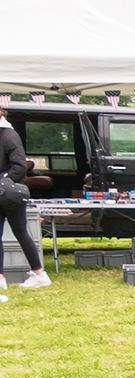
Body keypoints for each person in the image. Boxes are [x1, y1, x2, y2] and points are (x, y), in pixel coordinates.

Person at [0, 108, 51, 302]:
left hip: (10, 194)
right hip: (4, 193)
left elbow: (20, 166)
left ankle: (38, 273)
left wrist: (4, 183)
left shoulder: (9, 135)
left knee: (20, 232)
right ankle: (2, 277)